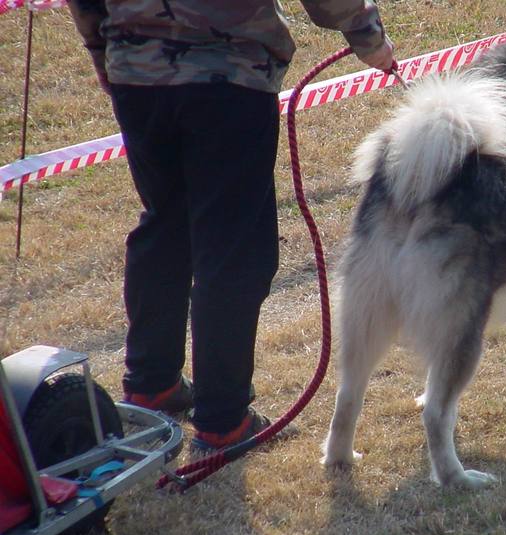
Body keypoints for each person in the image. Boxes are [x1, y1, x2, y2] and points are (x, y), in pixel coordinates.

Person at [68, 1, 395, 454]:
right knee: (234, 251)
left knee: (166, 225)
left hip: (137, 70)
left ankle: (152, 384)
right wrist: (368, 38)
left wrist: (104, 48)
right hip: (228, 74)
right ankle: (224, 420)